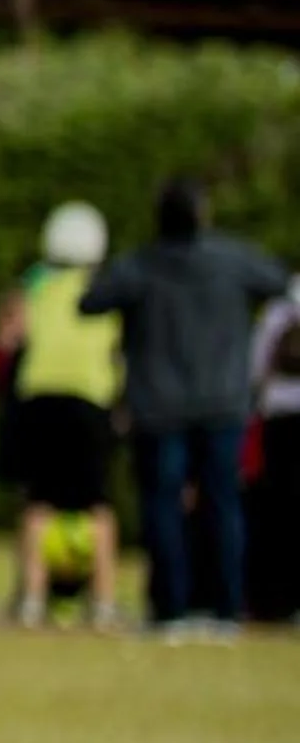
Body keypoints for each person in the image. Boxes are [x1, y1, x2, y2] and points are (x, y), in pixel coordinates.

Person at [80, 177, 283, 636]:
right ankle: (226, 608)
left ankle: (169, 609)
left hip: (159, 403)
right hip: (223, 400)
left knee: (163, 505)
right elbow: (278, 281)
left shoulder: (142, 265)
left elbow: (90, 300)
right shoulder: (232, 260)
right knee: (223, 503)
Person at [0, 201, 126, 630]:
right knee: (98, 503)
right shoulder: (105, 291)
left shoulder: (36, 287)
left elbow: (11, 338)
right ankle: (104, 600)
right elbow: (119, 351)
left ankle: (32, 597)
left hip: (40, 399)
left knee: (39, 501)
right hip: (90, 398)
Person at [242, 271, 300, 622]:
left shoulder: (277, 313)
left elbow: (255, 369)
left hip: (279, 421)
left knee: (276, 513)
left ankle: (273, 601)